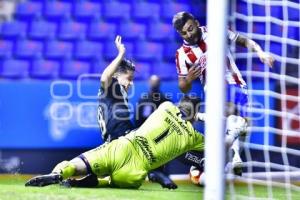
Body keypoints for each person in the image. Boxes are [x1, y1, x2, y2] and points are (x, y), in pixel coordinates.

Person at [25, 95, 245, 189]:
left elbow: (184, 112)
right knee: (112, 181)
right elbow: (218, 147)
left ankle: (61, 174)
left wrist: (195, 114)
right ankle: (97, 182)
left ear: (180, 103)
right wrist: (232, 131)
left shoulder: (166, 106)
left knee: (78, 164)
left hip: (124, 146)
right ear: (196, 113)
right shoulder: (194, 137)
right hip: (137, 170)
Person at [172, 11, 275, 175]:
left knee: (238, 124)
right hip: (213, 90)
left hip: (235, 82)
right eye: (184, 33)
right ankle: (231, 160)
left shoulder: (215, 31)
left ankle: (224, 156)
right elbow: (183, 86)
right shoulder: (182, 54)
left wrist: (260, 52)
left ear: (196, 23)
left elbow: (242, 40)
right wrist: (189, 79)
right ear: (179, 33)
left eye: (190, 29)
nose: (189, 34)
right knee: (232, 120)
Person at [136, 75, 177, 189]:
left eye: (156, 82)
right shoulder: (143, 99)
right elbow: (138, 118)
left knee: (163, 155)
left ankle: (164, 176)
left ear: (159, 83)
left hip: (162, 134)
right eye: (152, 82)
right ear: (149, 83)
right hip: (145, 133)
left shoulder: (165, 100)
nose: (154, 84)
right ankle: (145, 175)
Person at [97, 35, 135, 142]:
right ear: (116, 75)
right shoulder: (112, 85)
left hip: (113, 140)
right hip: (119, 137)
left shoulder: (116, 93)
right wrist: (121, 54)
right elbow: (104, 77)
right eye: (129, 78)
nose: (131, 83)